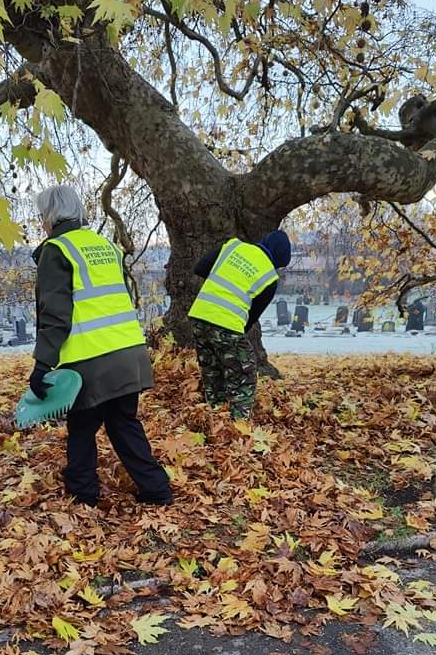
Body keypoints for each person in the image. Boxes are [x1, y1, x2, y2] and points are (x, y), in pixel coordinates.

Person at [30, 184, 172, 508]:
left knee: (81, 426)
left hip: (89, 359)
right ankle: (157, 489)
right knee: (123, 423)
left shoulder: (57, 251)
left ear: (50, 217)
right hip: (128, 353)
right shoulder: (106, 246)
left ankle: (83, 495)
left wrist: (42, 365)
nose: (41, 223)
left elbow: (55, 314)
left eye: (41, 216)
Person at [188, 230, 291, 418]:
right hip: (227, 323)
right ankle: (239, 426)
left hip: (199, 316)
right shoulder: (269, 277)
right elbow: (252, 316)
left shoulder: (232, 246)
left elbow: (200, 268)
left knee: (212, 371)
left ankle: (215, 417)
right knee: (245, 376)